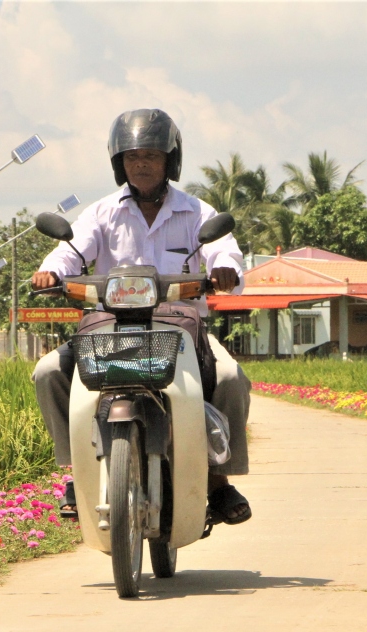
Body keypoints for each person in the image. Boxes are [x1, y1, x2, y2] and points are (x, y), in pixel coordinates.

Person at [31, 108, 253, 527]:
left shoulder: (196, 212)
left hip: (182, 330)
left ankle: (219, 482)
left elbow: (224, 250)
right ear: (120, 164)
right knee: (47, 372)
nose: (143, 164)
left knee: (229, 379)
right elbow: (70, 250)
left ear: (170, 160)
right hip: (110, 328)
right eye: (133, 157)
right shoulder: (101, 213)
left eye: (152, 155)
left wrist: (225, 270)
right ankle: (75, 472)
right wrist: (53, 271)